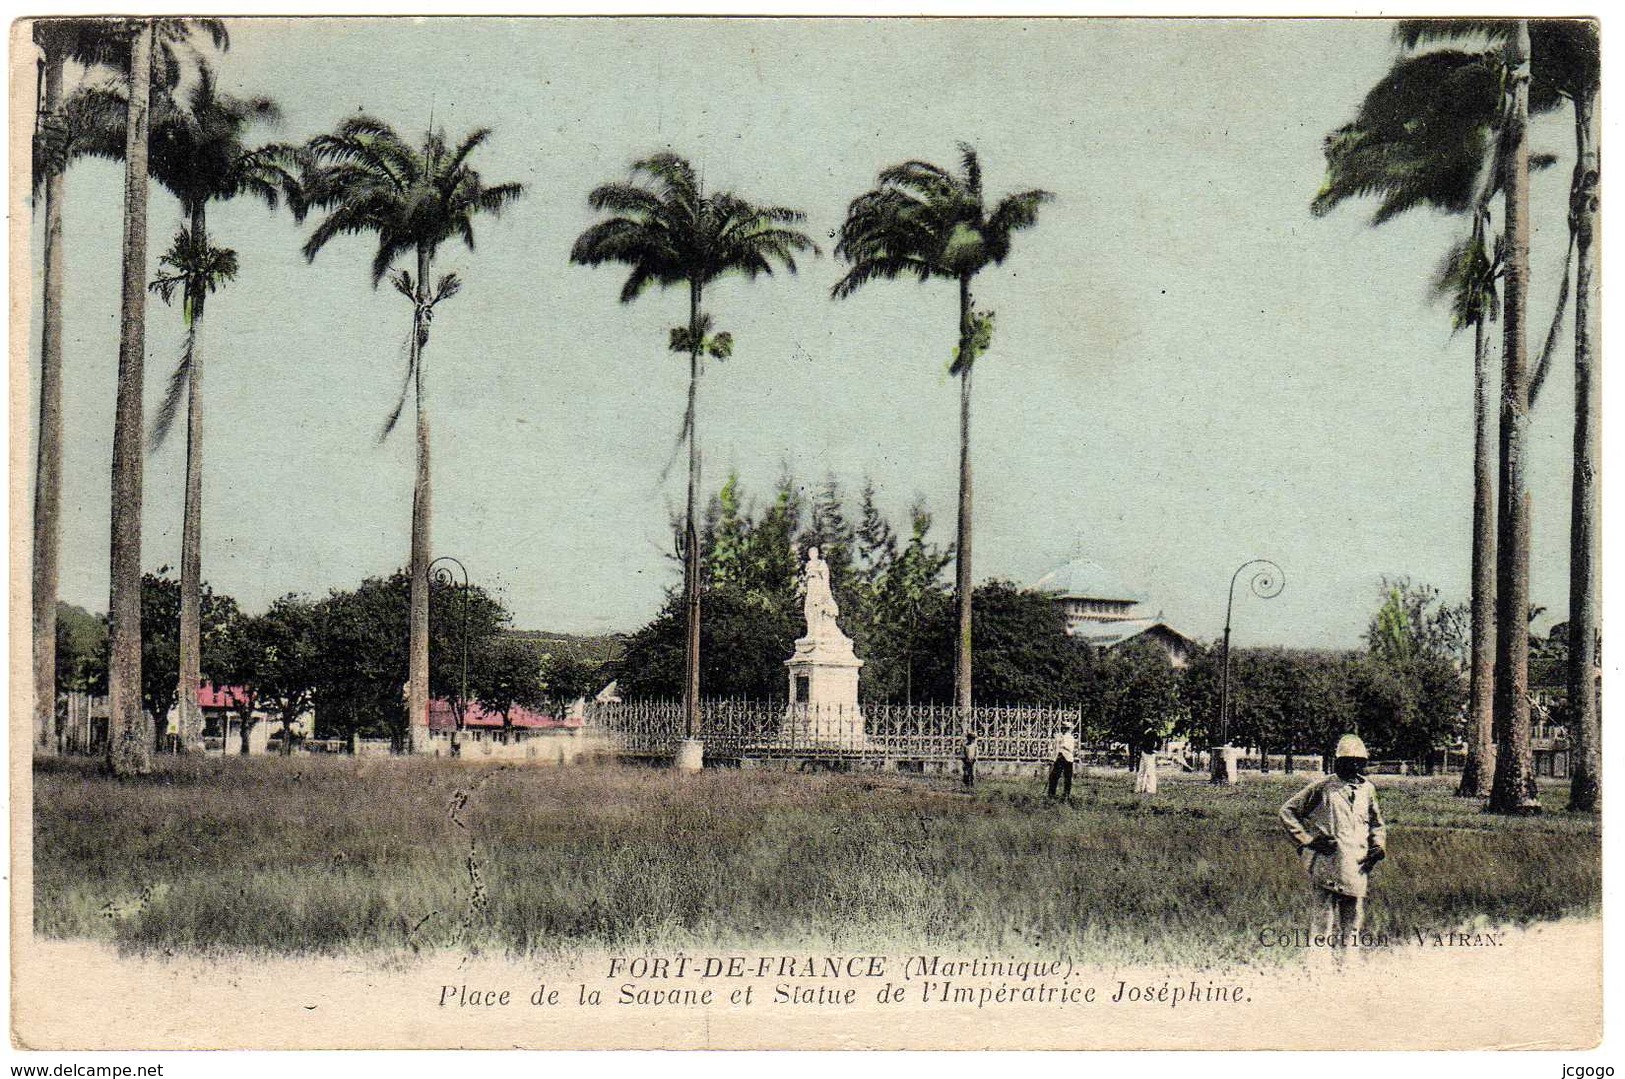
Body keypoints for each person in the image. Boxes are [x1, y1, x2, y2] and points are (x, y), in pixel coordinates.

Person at [1279, 734, 1387, 944]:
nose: (1348, 766)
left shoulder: (1367, 790)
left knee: (1353, 920)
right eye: (1343, 761)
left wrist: (1378, 846)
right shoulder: (1323, 787)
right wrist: (1307, 840)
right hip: (1328, 862)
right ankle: (1318, 968)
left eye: (1354, 761)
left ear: (1361, 763)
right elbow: (1287, 812)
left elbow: (1377, 823)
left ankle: (1348, 967)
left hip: (1357, 864)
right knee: (1322, 919)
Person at [1047, 720, 1076, 801]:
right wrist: (1052, 759)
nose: (1065, 730)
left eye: (1067, 728)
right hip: (1060, 757)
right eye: (1064, 728)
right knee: (1054, 776)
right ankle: (1051, 794)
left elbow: (1071, 749)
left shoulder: (1071, 738)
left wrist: (1062, 745)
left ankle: (1066, 795)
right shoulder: (1059, 737)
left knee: (1068, 777)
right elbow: (1056, 749)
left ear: (1070, 729)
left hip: (1068, 758)